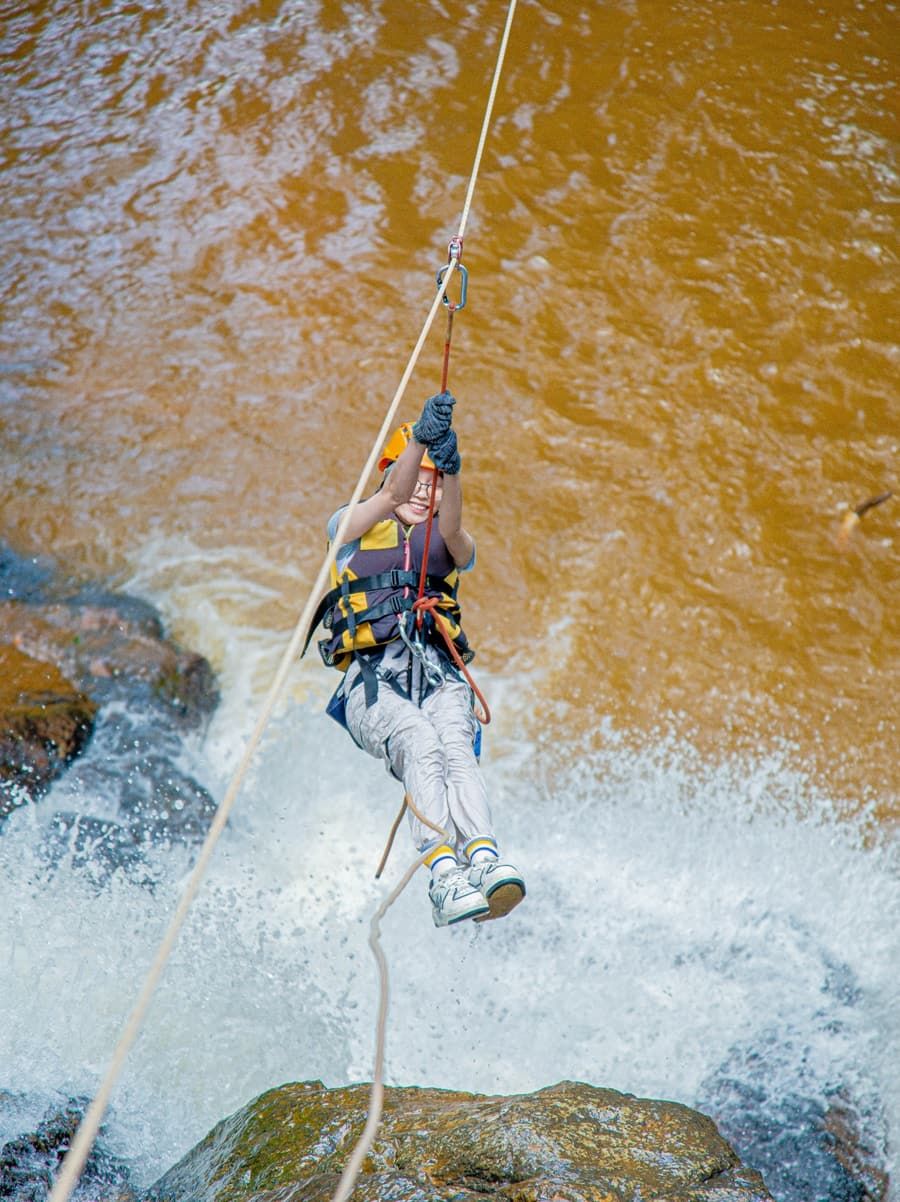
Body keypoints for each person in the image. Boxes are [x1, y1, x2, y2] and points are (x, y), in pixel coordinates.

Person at [314, 391, 525, 927]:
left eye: (433, 488)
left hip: (436, 676)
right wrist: (420, 444)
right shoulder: (353, 524)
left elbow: (454, 531)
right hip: (372, 689)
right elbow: (392, 496)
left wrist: (452, 472)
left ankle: (482, 855)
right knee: (419, 741)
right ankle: (442, 872)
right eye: (419, 482)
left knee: (455, 742)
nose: (422, 494)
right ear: (392, 471)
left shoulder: (446, 539)